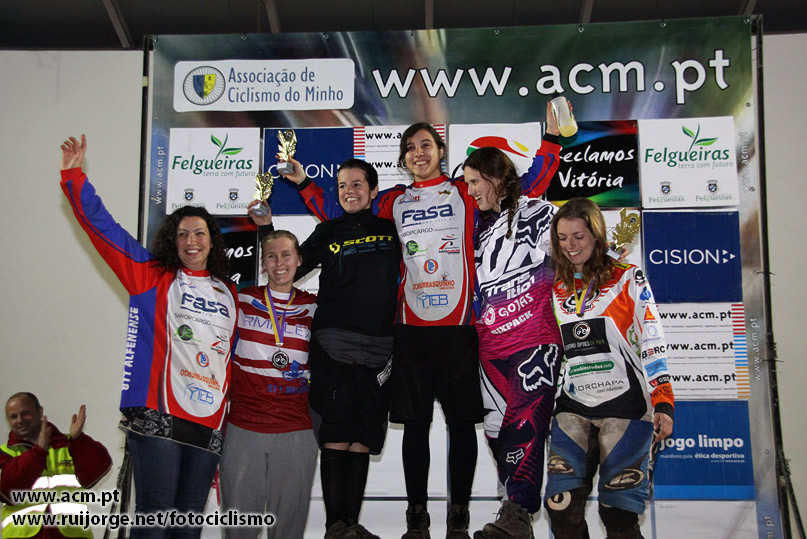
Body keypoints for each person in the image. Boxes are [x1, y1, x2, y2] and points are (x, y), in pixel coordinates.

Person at [282, 105, 562, 539]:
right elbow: (346, 212)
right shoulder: (393, 200)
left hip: (460, 331)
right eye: (410, 147)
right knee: (415, 429)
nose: (418, 152)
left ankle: (458, 521)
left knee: (461, 428)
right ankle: (417, 522)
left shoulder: (466, 190)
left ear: (440, 151)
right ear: (403, 158)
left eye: (426, 144)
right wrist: (305, 184)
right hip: (410, 333)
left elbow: (520, 188)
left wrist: (553, 142)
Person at [60, 135, 238, 539]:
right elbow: (105, 230)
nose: (191, 241)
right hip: (158, 413)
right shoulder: (151, 276)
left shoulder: (228, 292)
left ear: (212, 240)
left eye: (199, 233)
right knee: (155, 517)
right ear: (172, 240)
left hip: (208, 422)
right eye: (183, 234)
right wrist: (74, 177)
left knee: (188, 525)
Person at [252, 159, 400, 539]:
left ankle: (351, 526)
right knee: (336, 433)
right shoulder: (328, 230)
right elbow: (290, 267)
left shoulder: (392, 229)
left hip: (381, 347)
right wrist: (265, 228)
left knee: (362, 438)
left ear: (373, 190)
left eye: (357, 184)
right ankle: (336, 526)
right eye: (342, 186)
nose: (349, 191)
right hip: (333, 343)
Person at [543, 198, 674, 539]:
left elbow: (652, 337)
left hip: (626, 406)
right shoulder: (554, 284)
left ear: (597, 236)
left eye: (579, 237)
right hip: (573, 407)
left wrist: (663, 399)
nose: (570, 246)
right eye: (562, 238)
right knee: (561, 507)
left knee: (618, 515)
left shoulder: (627, 277)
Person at [461, 147, 562, 539]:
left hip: (533, 336)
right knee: (495, 429)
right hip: (491, 346)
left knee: (524, 423)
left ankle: (519, 511)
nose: (470, 190)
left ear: (496, 177)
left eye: (475, 182)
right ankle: (512, 509)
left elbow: (572, 254)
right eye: (467, 183)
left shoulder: (538, 212)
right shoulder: (476, 230)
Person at [218, 228, 319, 539]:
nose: (279, 263)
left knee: (288, 528)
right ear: (263, 264)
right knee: (239, 526)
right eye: (271, 256)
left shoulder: (314, 306)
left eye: (286, 255)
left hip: (296, 428)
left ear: (299, 260)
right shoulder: (241, 299)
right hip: (244, 425)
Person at [1, 392, 112, 539]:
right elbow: (8, 492)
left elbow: (98, 469)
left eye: (25, 413)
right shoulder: (4, 452)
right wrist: (38, 452)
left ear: (40, 411)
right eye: (13, 417)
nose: (20, 420)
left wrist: (79, 440)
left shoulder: (70, 443)